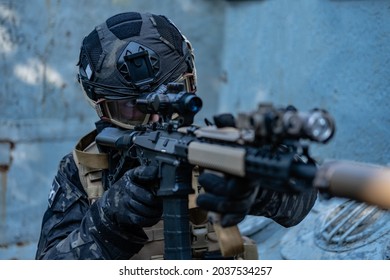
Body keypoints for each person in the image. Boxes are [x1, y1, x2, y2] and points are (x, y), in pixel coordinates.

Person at [35, 11, 318, 260]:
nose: (156, 118)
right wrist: (107, 222)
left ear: (191, 81)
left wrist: (258, 189)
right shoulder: (84, 168)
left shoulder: (214, 145)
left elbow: (301, 202)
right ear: (101, 109)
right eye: (132, 108)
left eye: (172, 92)